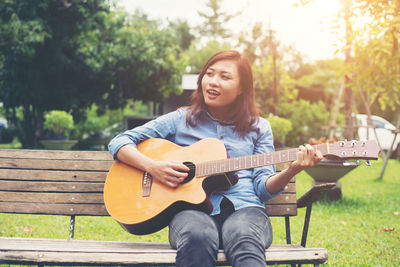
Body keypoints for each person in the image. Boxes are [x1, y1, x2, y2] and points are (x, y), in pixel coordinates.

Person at [108, 50, 323, 267]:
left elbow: (262, 187)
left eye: (225, 77)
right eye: (209, 74)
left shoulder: (259, 127)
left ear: (241, 89)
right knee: (197, 237)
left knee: (244, 238)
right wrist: (153, 167)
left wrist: (292, 170)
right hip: (190, 211)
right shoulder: (180, 119)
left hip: (246, 209)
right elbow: (120, 141)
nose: (213, 82)